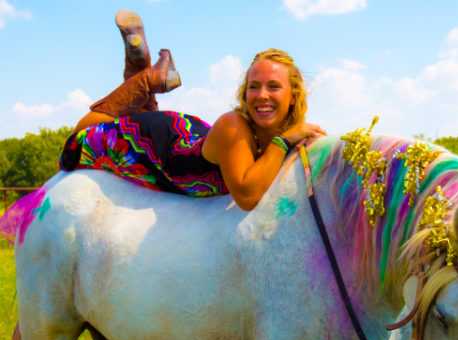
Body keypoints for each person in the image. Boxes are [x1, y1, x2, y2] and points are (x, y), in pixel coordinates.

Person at [60, 10, 326, 210]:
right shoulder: (234, 124)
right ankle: (149, 79)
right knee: (76, 140)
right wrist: (283, 141)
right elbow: (247, 196)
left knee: (137, 112)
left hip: (183, 135)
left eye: (274, 86)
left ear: (293, 96)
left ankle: (139, 65)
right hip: (153, 142)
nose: (262, 95)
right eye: (254, 86)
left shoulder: (283, 134)